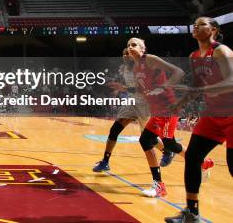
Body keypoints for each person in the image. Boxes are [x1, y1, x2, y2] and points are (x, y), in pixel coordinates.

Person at [165, 17, 232, 223]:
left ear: (213, 29)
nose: (196, 26)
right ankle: (191, 213)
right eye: (194, 24)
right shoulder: (195, 55)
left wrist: (198, 89)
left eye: (202, 24)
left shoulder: (221, 51)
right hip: (213, 114)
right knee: (193, 156)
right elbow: (195, 85)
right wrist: (178, 104)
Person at [125, 38, 192, 198]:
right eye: (128, 45)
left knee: (167, 143)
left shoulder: (150, 59)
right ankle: (160, 184)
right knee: (148, 140)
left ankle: (197, 163)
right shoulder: (135, 68)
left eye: (134, 44)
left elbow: (178, 72)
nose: (130, 47)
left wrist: (162, 87)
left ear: (143, 49)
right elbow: (145, 91)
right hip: (156, 111)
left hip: (168, 108)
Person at [93, 48, 173, 172]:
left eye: (128, 54)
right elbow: (128, 85)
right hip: (131, 103)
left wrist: (123, 88)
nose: (126, 56)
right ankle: (105, 161)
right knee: (114, 130)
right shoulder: (125, 68)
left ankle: (167, 151)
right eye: (124, 54)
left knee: (148, 137)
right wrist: (117, 90)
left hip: (145, 105)